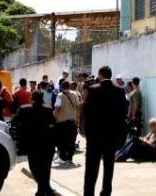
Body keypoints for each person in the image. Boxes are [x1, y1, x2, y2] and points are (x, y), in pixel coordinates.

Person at [82, 65, 127, 196]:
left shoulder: (93, 89)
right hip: (112, 136)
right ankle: (106, 192)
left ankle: (89, 193)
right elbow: (122, 114)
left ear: (100, 75)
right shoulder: (120, 91)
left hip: (95, 136)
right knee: (109, 167)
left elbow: (87, 113)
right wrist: (119, 134)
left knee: (91, 168)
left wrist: (88, 134)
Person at [13, 91, 60, 196]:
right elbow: (53, 124)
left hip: (32, 145)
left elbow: (14, 122)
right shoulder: (48, 109)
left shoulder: (24, 109)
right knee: (46, 168)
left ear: (32, 98)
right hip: (47, 144)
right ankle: (45, 189)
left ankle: (43, 189)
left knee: (34, 168)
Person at [54, 81, 80, 166]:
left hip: (62, 123)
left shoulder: (59, 96)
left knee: (61, 141)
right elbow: (78, 107)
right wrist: (77, 118)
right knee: (71, 141)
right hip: (72, 122)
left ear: (61, 87)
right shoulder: (75, 94)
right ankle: (69, 158)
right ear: (69, 86)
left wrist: (54, 119)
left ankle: (62, 158)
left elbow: (57, 109)